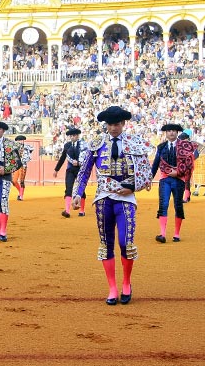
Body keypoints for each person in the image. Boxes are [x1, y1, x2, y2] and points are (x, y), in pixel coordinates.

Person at [72, 106, 152, 305]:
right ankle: (112, 288)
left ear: (123, 124)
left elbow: (146, 172)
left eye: (116, 124)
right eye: (110, 124)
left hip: (126, 199)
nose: (113, 128)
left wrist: (132, 186)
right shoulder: (97, 144)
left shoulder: (134, 142)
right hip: (103, 198)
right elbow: (84, 171)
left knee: (127, 243)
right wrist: (77, 193)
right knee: (106, 244)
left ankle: (126, 282)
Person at [151, 124, 196, 243]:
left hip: (178, 179)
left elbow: (189, 164)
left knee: (178, 206)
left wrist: (178, 172)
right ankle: (162, 233)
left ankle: (176, 234)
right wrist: (149, 179)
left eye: (173, 131)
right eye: (169, 131)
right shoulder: (161, 147)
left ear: (177, 133)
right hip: (165, 179)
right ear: (165, 133)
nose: (171, 133)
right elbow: (156, 163)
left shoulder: (184, 146)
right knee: (163, 204)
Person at [53, 128, 87, 217]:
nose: (72, 137)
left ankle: (82, 210)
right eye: (71, 136)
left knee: (81, 189)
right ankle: (67, 211)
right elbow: (63, 157)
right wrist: (56, 169)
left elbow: (86, 157)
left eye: (74, 135)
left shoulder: (83, 145)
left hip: (80, 170)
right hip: (70, 170)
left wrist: (79, 163)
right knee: (68, 189)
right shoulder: (67, 145)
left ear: (77, 136)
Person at [12, 135, 34, 201]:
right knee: (14, 181)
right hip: (16, 166)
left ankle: (21, 195)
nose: (20, 141)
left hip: (23, 165)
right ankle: (20, 192)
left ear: (23, 141)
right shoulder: (14, 148)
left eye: (21, 140)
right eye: (18, 140)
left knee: (21, 181)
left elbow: (31, 152)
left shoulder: (27, 147)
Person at [177, 132, 198, 203]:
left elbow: (196, 155)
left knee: (185, 181)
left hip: (185, 166)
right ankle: (187, 196)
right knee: (186, 181)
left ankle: (186, 197)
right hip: (186, 165)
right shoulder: (192, 145)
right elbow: (196, 155)